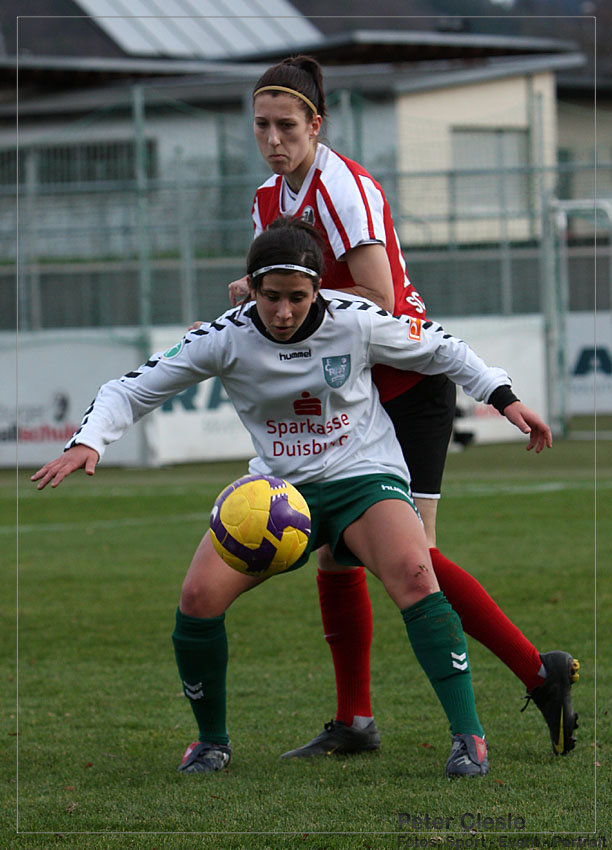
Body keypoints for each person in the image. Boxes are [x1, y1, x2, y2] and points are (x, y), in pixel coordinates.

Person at [32, 218, 552, 778]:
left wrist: (504, 397)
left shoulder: (356, 320)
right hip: (278, 493)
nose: (283, 312)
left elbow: (442, 349)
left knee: (416, 574)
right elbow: (131, 388)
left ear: (318, 291)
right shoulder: (224, 336)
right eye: (271, 297)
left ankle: (467, 736)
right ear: (250, 289)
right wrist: (89, 439)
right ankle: (211, 743)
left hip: (364, 476)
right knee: (197, 598)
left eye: (298, 298)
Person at [220, 55, 579, 759]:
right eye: (261, 125)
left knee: (413, 560)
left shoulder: (343, 188)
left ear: (315, 124)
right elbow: (298, 285)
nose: (272, 139)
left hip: (409, 387)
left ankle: (541, 673)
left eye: (286, 125)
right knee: (335, 555)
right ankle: (355, 721)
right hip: (352, 396)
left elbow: (380, 299)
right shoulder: (268, 197)